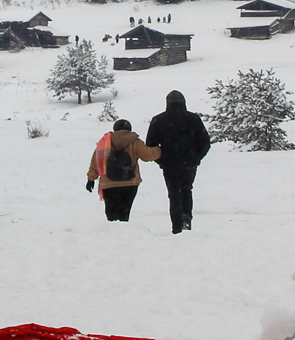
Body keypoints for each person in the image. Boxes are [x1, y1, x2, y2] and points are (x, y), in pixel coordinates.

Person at [145, 90, 212, 234]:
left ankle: (176, 226)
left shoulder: (158, 120)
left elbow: (150, 145)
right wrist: (196, 158)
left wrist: (162, 160)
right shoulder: (193, 119)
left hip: (169, 164)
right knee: (187, 191)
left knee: (174, 193)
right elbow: (205, 142)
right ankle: (186, 221)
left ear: (167, 103)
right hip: (189, 164)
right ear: (184, 102)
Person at [86, 118, 160, 222]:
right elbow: (148, 155)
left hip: (109, 183)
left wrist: (91, 178)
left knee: (111, 214)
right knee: (124, 213)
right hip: (130, 182)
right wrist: (159, 149)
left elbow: (96, 161)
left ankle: (113, 234)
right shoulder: (134, 141)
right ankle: (124, 230)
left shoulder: (105, 142)